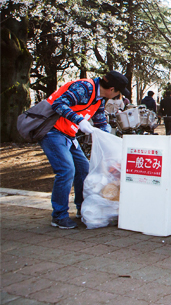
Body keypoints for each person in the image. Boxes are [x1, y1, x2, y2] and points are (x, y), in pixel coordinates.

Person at [40, 70, 130, 229]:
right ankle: (59, 216)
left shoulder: (99, 98)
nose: (117, 96)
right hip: (53, 132)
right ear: (111, 89)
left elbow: (101, 121)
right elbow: (58, 103)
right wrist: (79, 120)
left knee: (83, 169)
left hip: (69, 134)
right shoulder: (85, 88)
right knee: (66, 170)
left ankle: (83, 209)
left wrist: (111, 141)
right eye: (118, 93)